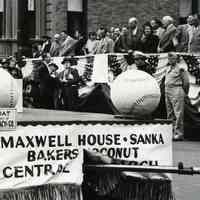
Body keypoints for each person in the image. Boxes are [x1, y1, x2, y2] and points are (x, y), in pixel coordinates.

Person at [165, 52, 189, 141]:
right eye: (169, 58)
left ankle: (178, 134)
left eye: (173, 58)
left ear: (177, 59)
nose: (171, 60)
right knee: (170, 113)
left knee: (178, 113)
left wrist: (184, 92)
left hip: (177, 89)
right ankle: (171, 132)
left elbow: (186, 82)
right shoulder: (167, 68)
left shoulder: (181, 68)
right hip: (168, 91)